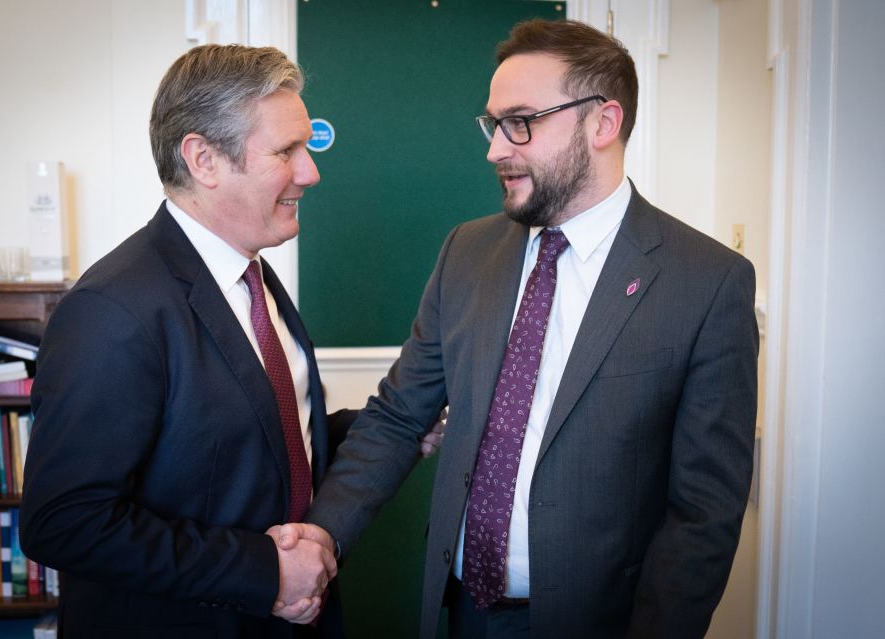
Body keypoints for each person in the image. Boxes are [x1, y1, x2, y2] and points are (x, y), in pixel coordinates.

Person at [284, 18, 759, 639]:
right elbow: (400, 416)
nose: (495, 149)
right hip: (462, 611)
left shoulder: (707, 282)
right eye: (493, 124)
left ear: (603, 123)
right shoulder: (467, 251)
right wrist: (322, 535)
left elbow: (704, 512)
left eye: (521, 122)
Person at [19, 44, 442, 638]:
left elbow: (251, 439)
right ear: (203, 159)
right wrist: (263, 571)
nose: (311, 172)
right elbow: (64, 521)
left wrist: (386, 429)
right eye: (286, 151)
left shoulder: (253, 278)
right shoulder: (113, 311)